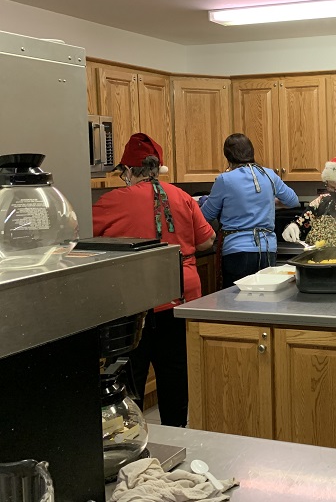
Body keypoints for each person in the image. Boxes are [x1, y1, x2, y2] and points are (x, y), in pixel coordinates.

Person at [93, 133, 215, 427]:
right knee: (176, 371)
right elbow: (207, 242)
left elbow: (78, 242)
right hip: (182, 294)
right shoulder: (182, 197)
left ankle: (135, 434)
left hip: (136, 300)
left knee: (132, 371)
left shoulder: (111, 201)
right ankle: (177, 429)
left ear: (130, 171)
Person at [200, 133, 299, 288]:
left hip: (237, 251)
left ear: (227, 156)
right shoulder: (268, 174)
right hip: (267, 250)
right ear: (252, 152)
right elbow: (293, 201)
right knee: (266, 302)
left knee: (236, 302)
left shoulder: (225, 180)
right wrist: (270, 201)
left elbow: (205, 216)